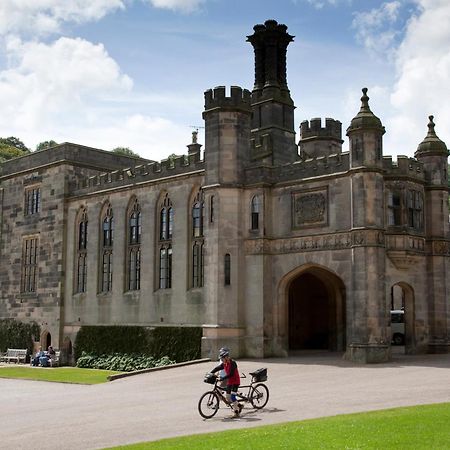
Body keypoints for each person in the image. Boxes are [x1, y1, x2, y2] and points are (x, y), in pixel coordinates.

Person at [211, 347, 243, 417]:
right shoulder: (224, 364)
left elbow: (231, 374)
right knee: (228, 397)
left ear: (226, 357)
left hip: (235, 382)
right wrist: (211, 373)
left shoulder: (233, 363)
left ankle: (236, 412)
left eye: (223, 359)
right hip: (230, 382)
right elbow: (217, 368)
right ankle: (239, 405)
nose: (222, 360)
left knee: (232, 397)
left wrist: (222, 378)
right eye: (221, 359)